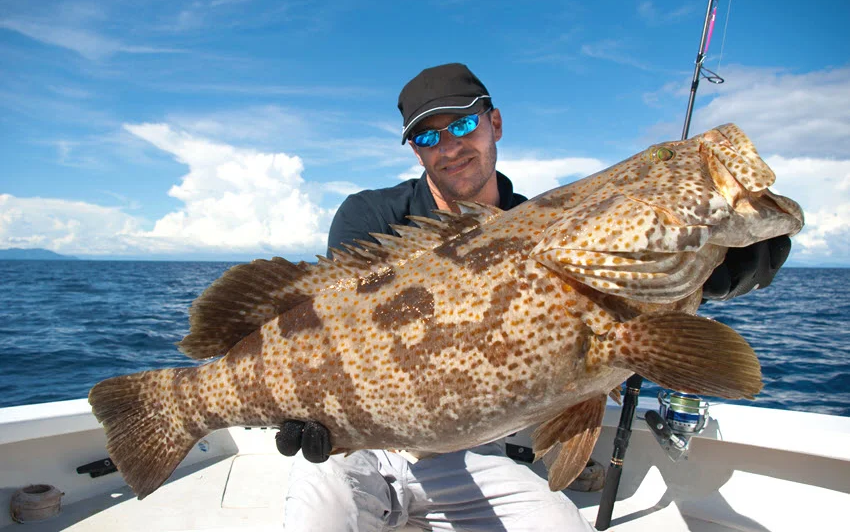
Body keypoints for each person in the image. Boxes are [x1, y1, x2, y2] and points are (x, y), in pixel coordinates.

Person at [278, 63, 791, 531]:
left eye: (462, 125)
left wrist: (720, 263)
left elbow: (642, 281)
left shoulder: (550, 222)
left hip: (474, 452)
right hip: (359, 447)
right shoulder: (370, 219)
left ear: (494, 123)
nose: (450, 146)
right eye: (429, 136)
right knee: (318, 513)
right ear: (415, 150)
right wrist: (308, 413)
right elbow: (331, 333)